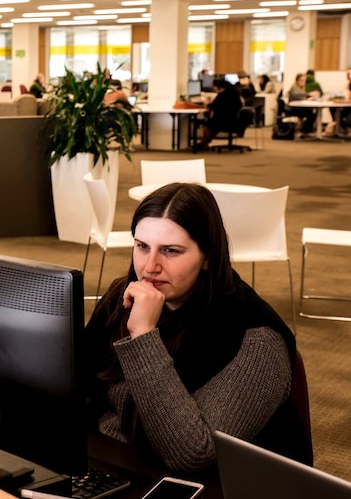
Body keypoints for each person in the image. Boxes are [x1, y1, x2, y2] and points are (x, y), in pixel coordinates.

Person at [84, 183, 310, 473]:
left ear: (207, 258)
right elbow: (81, 392)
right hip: (123, 465)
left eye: (171, 251)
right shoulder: (123, 297)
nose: (150, 266)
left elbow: (193, 453)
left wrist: (143, 337)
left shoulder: (256, 340)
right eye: (142, 246)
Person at [197, 78, 242, 149]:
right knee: (210, 122)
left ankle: (205, 143)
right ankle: (205, 143)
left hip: (226, 121)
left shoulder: (223, 95)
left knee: (207, 124)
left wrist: (207, 104)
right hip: (233, 120)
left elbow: (214, 106)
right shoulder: (233, 93)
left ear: (219, 87)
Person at [286, 72, 318, 137]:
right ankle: (305, 131)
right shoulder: (295, 88)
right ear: (297, 80)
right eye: (301, 80)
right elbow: (297, 95)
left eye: (304, 80)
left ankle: (306, 130)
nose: (303, 82)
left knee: (312, 112)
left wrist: (308, 99)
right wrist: (309, 94)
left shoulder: (300, 88)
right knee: (311, 113)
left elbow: (300, 99)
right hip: (293, 109)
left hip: (298, 107)